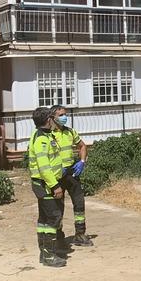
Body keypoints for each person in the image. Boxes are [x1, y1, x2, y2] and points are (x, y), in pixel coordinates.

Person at [28, 106, 67, 268]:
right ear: (48, 120)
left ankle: (44, 253)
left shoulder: (44, 135)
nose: (54, 120)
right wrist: (55, 185)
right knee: (54, 217)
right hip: (45, 184)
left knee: (44, 219)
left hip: (45, 183)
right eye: (52, 118)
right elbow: (44, 167)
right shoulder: (41, 139)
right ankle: (49, 255)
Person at [51, 105, 93, 247]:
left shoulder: (70, 132)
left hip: (71, 173)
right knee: (58, 206)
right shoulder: (49, 135)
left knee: (79, 202)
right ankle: (58, 236)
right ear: (53, 117)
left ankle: (80, 234)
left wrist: (82, 161)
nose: (64, 117)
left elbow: (82, 146)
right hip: (57, 175)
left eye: (65, 114)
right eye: (61, 115)